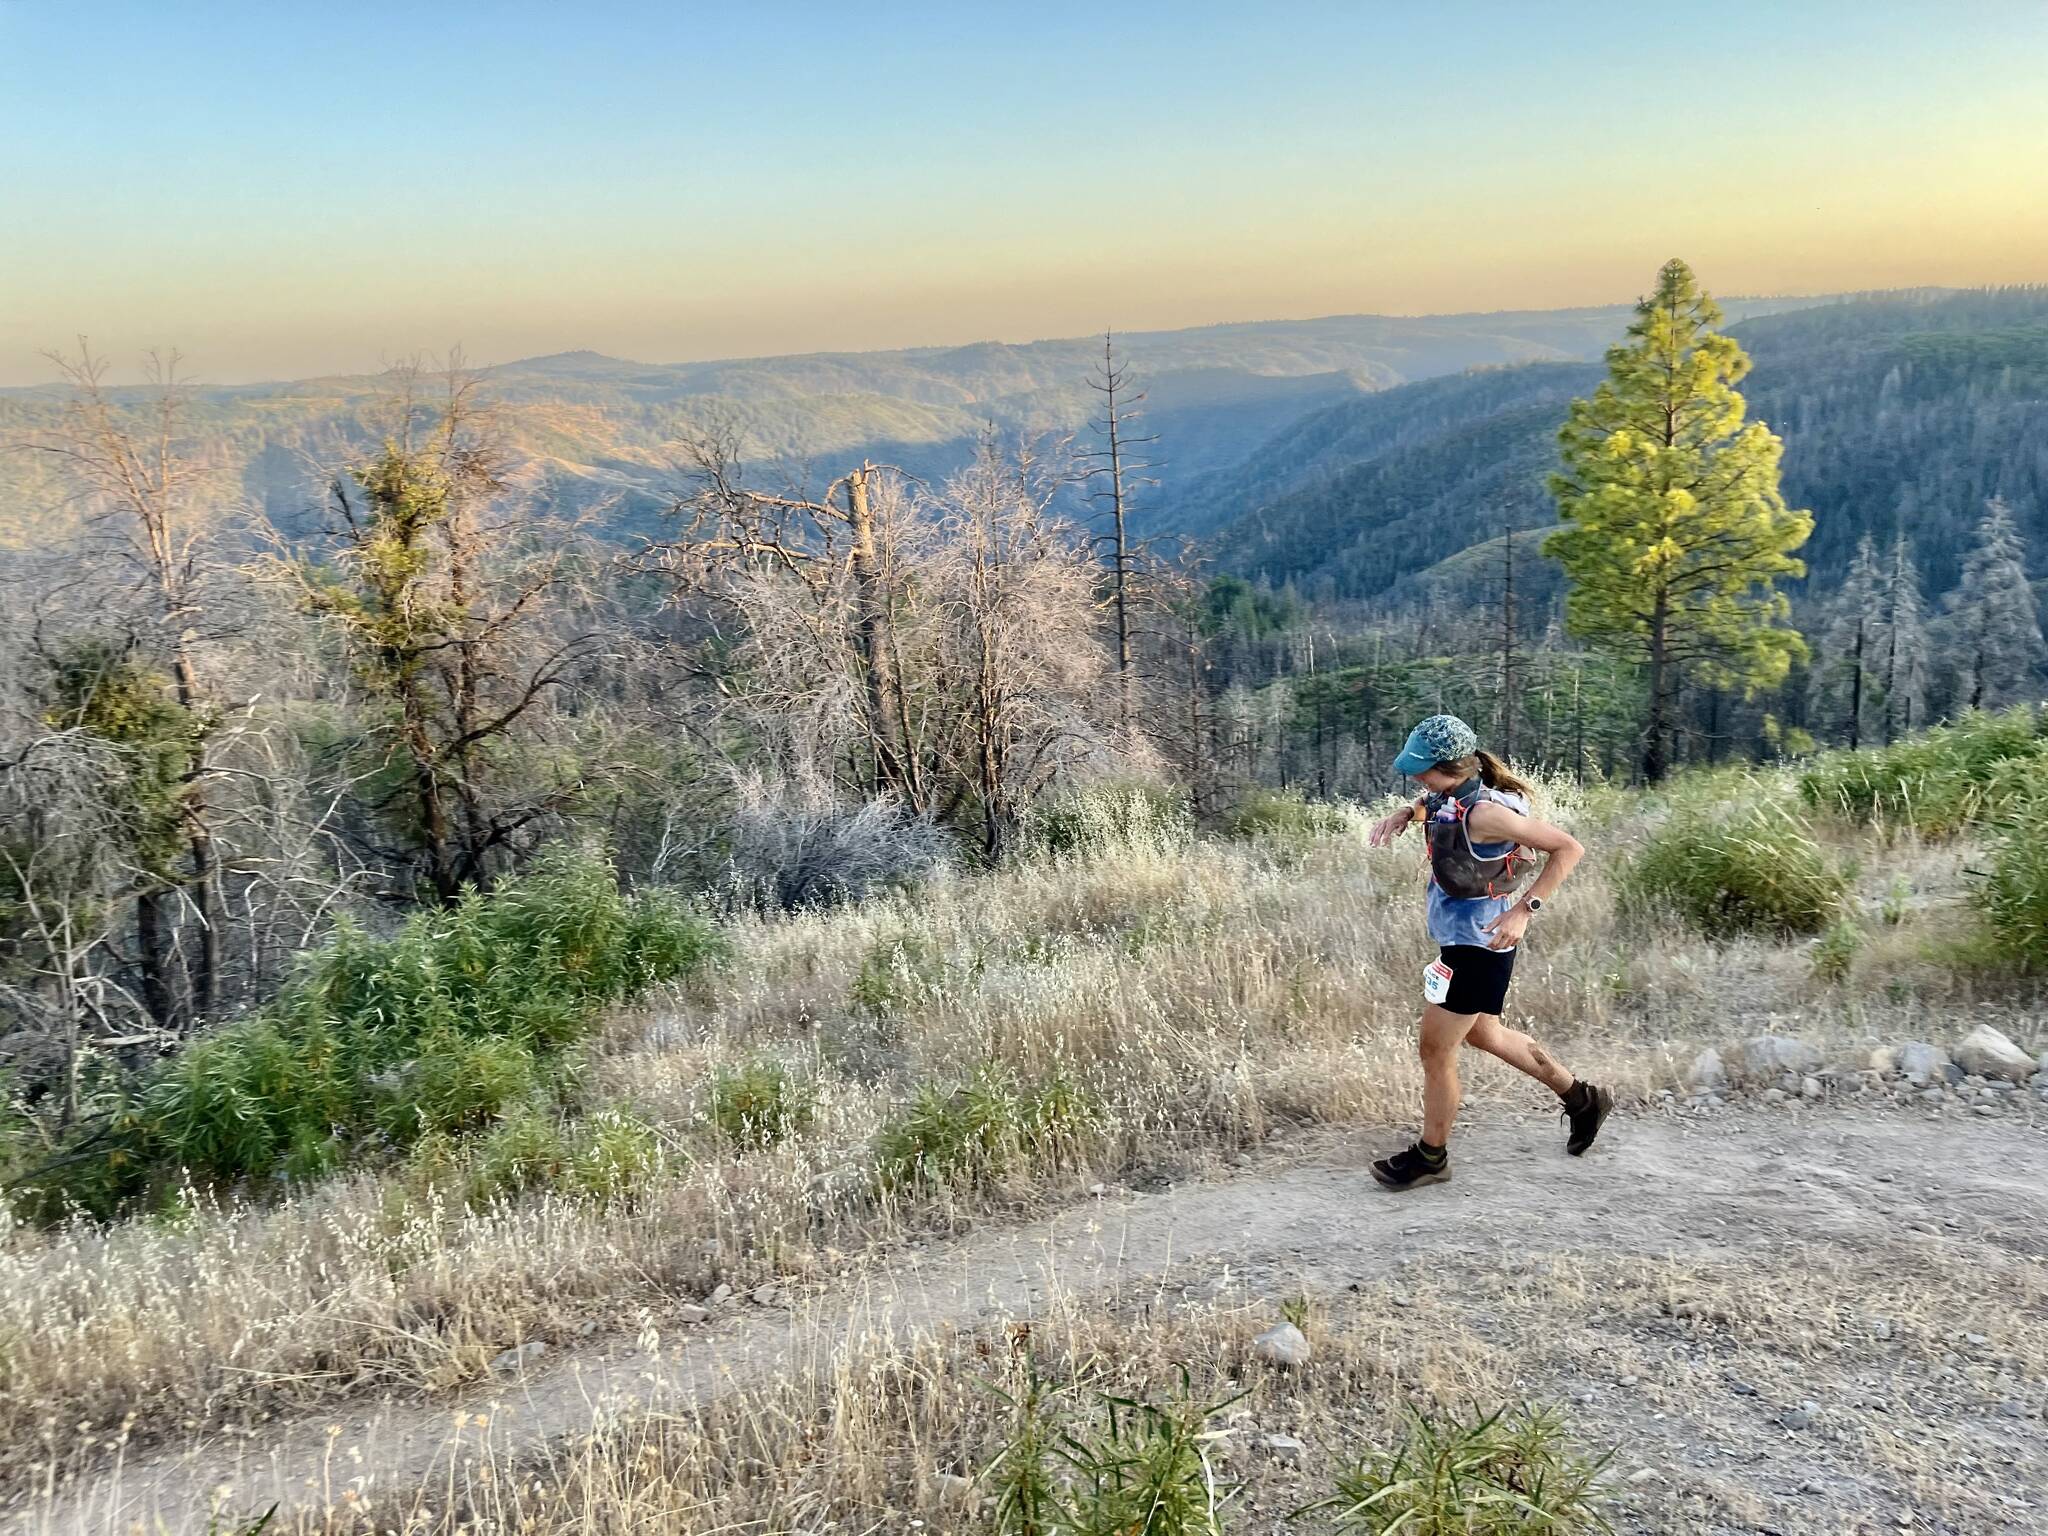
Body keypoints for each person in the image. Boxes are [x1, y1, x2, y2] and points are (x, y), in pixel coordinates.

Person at [1364, 713, 1610, 1188]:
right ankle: (1583, 1100)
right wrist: (1404, 813)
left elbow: (1569, 848)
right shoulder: (1449, 794)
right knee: (1485, 1036)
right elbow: (1430, 804)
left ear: (1451, 767)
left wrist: (1525, 909)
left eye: (1423, 769)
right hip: (1467, 941)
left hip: (1478, 946)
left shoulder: (1487, 813)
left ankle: (1431, 1156)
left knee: (1435, 1050)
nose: (1417, 776)